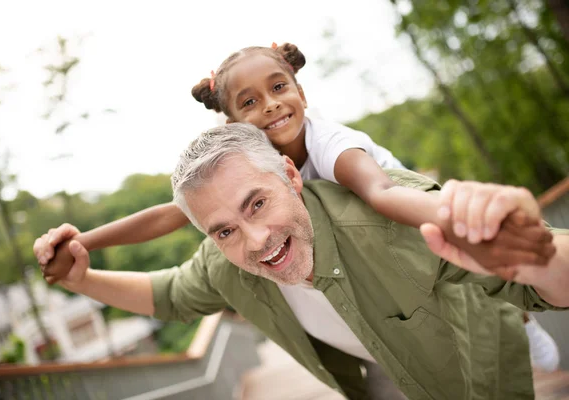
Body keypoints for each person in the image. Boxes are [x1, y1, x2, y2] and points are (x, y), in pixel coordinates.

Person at [40, 42, 560, 372]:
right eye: (248, 103)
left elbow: (381, 195)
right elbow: (168, 216)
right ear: (231, 123)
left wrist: (458, 217)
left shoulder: (333, 147)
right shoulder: (237, 173)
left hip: (411, 211)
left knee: (477, 287)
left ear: (301, 91)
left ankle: (521, 321)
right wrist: (84, 242)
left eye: (279, 88)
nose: (269, 106)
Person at [35, 123, 569, 400]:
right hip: (388, 377)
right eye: (223, 230)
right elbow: (171, 294)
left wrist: (532, 253)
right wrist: (82, 278)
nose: (256, 240)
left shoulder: (396, 217)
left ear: (293, 177)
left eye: (258, 203)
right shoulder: (227, 262)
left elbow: (555, 282)